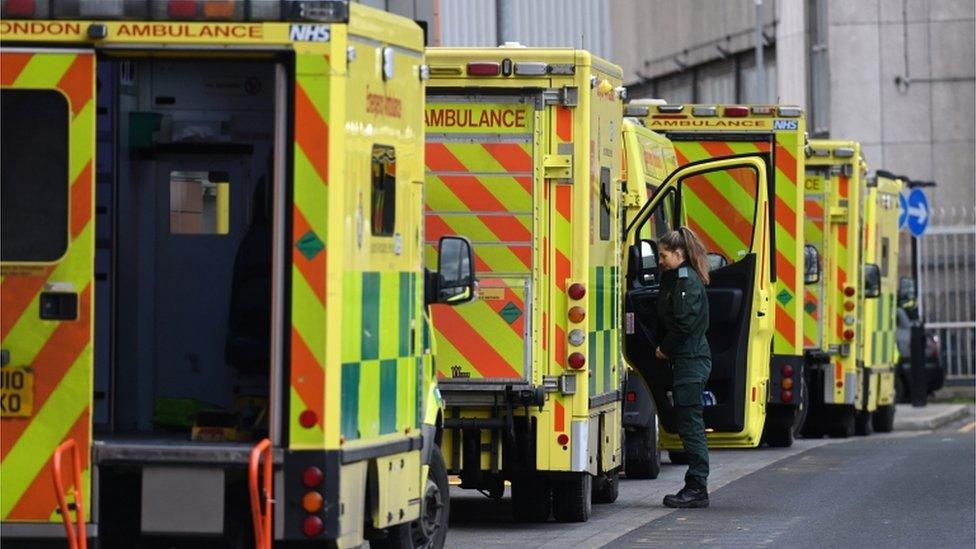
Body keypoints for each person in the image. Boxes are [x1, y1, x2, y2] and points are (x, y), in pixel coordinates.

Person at [655, 226, 712, 508]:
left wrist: (664, 348)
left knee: (691, 426)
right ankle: (695, 485)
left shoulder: (686, 281)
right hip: (687, 361)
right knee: (689, 423)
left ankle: (697, 487)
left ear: (678, 253)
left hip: (690, 361)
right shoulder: (677, 278)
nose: (660, 261)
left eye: (664, 255)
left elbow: (684, 323)